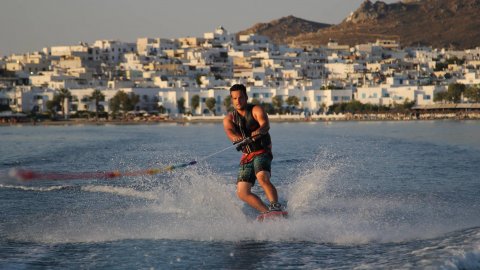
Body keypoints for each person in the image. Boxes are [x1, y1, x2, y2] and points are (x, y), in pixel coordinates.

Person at [223, 84, 282, 214]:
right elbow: (230, 132)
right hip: (247, 156)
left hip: (262, 151)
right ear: (231, 100)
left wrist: (258, 132)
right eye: (234, 98)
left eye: (240, 97)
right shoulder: (229, 118)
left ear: (246, 97)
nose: (238, 101)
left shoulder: (256, 110)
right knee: (242, 192)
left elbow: (265, 125)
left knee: (262, 177)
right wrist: (236, 138)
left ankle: (275, 206)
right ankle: (267, 212)